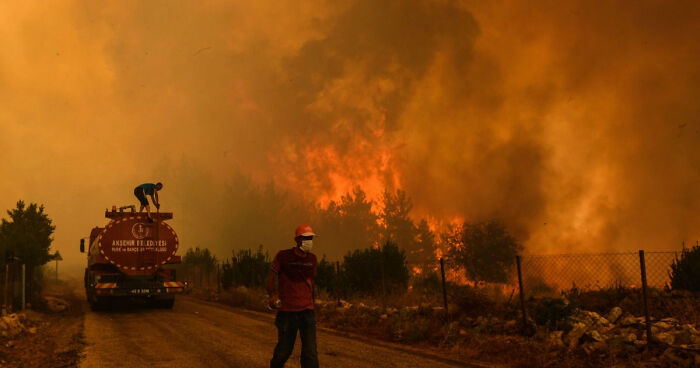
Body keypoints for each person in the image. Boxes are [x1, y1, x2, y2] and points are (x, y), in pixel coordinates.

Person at [266, 224, 319, 368]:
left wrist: (313, 304)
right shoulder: (283, 256)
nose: (309, 241)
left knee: (311, 354)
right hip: (287, 313)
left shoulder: (312, 259)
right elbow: (270, 277)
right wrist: (272, 295)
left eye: (311, 238)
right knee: (284, 351)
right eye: (306, 238)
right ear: (297, 240)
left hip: (307, 312)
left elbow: (311, 282)